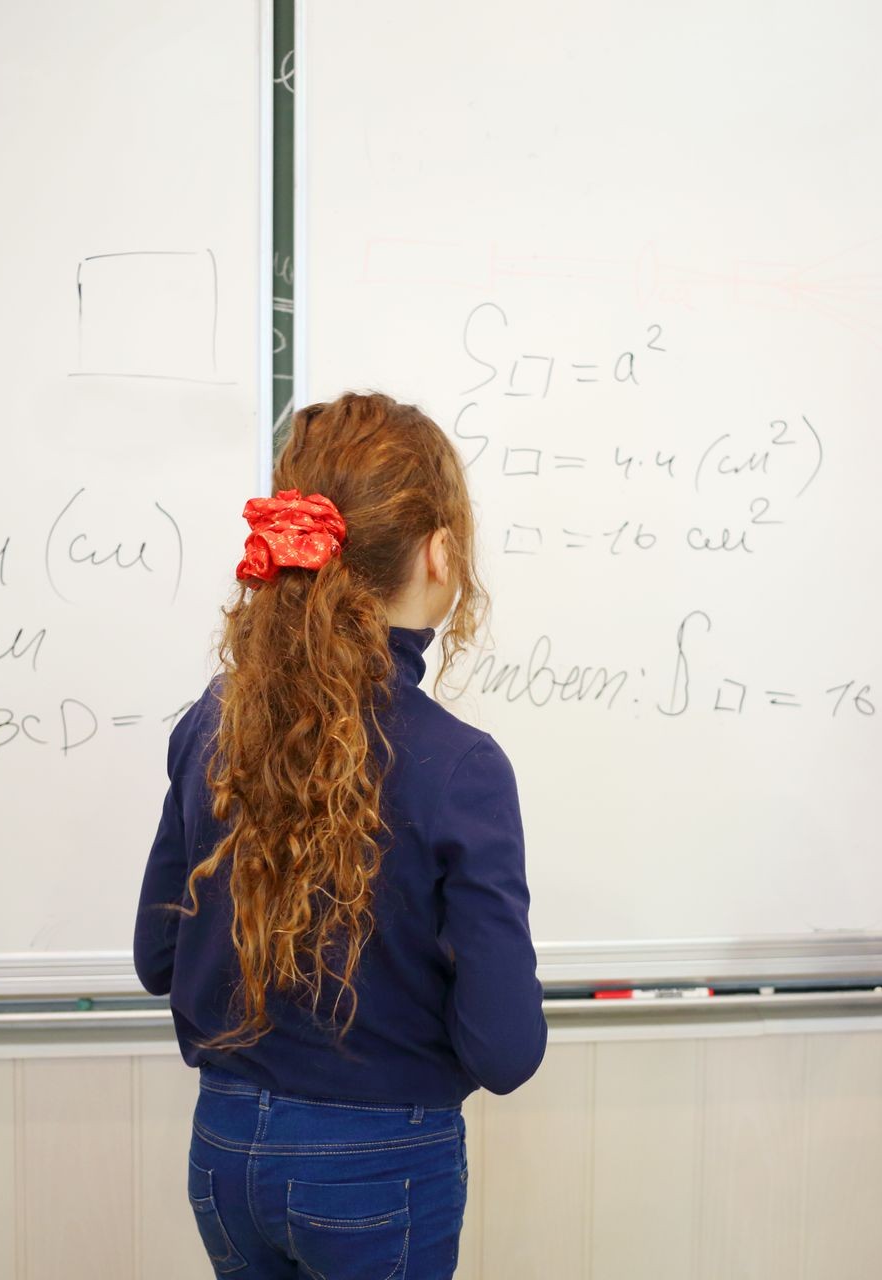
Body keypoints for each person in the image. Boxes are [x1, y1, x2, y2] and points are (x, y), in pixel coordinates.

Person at [135, 391, 547, 1278]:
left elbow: (157, 959)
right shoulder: (461, 767)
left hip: (224, 1154)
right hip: (381, 1169)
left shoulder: (211, 725)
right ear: (439, 554)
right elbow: (506, 1050)